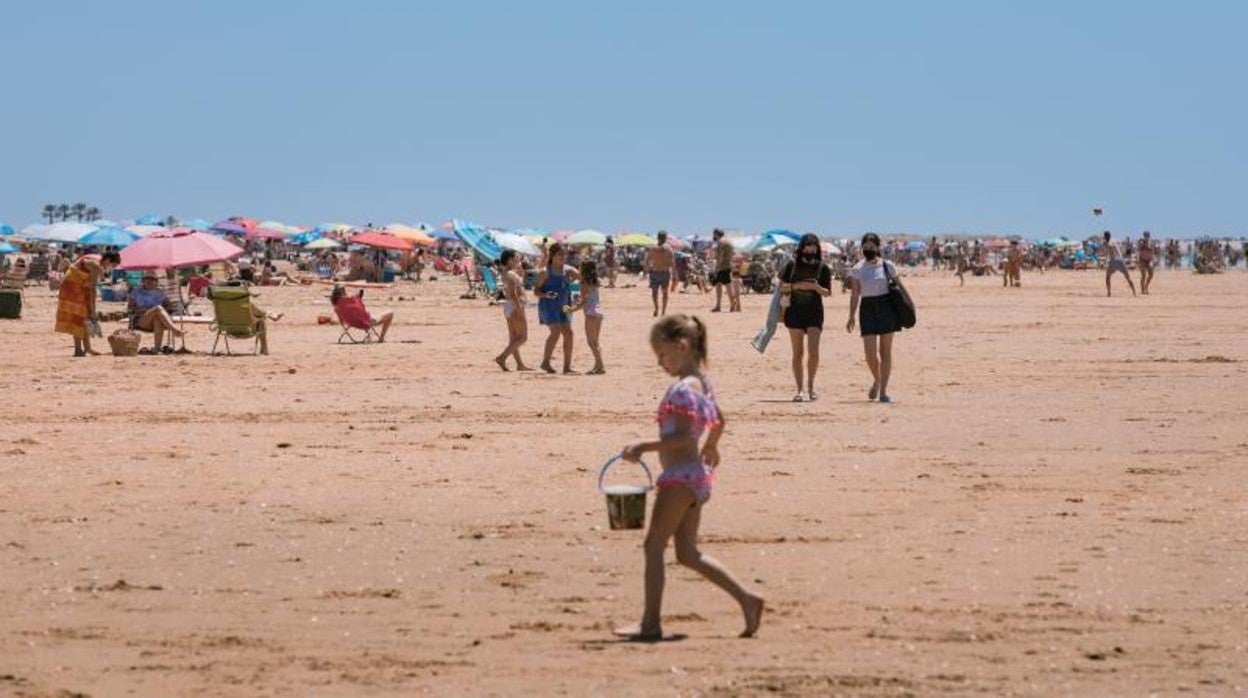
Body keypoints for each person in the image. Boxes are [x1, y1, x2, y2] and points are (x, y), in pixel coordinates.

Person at [615, 314, 764, 641]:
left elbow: (683, 438)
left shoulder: (684, 387)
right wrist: (712, 446)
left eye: (662, 353)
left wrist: (644, 446)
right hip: (695, 478)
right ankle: (747, 599)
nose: (659, 361)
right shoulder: (702, 382)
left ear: (681, 347)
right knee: (687, 553)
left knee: (654, 545)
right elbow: (719, 420)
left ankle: (650, 624)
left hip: (679, 478)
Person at [846, 233, 905, 403]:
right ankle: (877, 380)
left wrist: (908, 306)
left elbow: (900, 286)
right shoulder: (857, 268)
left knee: (885, 352)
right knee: (870, 353)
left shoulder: (888, 266)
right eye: (866, 247)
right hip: (868, 309)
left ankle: (883, 391)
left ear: (878, 248)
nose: (869, 250)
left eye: (872, 247)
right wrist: (851, 316)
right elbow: (855, 294)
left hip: (887, 308)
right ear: (862, 248)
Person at [779, 234, 833, 401]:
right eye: (808, 246)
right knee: (797, 352)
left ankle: (811, 387)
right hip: (794, 312)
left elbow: (828, 292)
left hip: (814, 312)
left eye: (814, 246)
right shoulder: (791, 265)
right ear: (801, 247)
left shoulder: (823, 268)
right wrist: (799, 286)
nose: (811, 249)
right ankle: (799, 390)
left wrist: (815, 287)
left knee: (814, 352)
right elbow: (782, 287)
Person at [55, 251, 119, 357]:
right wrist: (93, 311)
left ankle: (87, 348)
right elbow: (92, 290)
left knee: (84, 317)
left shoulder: (96, 259)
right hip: (73, 286)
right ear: (108, 261)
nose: (110, 268)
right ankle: (78, 349)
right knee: (79, 316)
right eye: (112, 265)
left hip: (76, 284)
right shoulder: (97, 265)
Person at [535, 243, 581, 374]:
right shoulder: (545, 272)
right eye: (560, 254)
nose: (563, 256)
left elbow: (584, 279)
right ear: (552, 256)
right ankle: (545, 362)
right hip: (548, 306)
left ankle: (567, 367)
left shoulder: (569, 270)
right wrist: (546, 295)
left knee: (569, 334)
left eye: (564, 254)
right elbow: (536, 291)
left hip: (564, 306)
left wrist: (580, 294)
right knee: (555, 332)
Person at [563, 260, 606, 374]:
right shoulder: (596, 281)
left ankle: (601, 366)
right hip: (599, 312)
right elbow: (589, 298)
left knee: (591, 342)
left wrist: (571, 309)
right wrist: (579, 301)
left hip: (590, 314)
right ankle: (597, 365)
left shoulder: (583, 283)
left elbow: (584, 302)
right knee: (595, 342)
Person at [493, 250, 532, 371]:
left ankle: (520, 364)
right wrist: (519, 309)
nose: (518, 260)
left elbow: (516, 286)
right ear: (509, 259)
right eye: (516, 258)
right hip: (515, 305)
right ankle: (502, 357)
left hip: (509, 305)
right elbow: (514, 293)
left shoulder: (506, 273)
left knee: (514, 337)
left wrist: (521, 272)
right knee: (522, 337)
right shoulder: (510, 274)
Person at [128, 271, 185, 350]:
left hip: (156, 321)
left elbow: (169, 307)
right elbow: (131, 308)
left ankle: (157, 348)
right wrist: (142, 310)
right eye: (146, 278)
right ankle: (174, 330)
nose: (150, 281)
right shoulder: (136, 292)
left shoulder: (160, 293)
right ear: (142, 281)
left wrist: (160, 310)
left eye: (153, 279)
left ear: (156, 281)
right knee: (158, 308)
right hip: (141, 320)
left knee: (157, 318)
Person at [329, 284, 394, 342]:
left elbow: (341, 320)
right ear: (343, 292)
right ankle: (381, 338)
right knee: (390, 313)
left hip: (350, 323)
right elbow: (361, 309)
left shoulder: (336, 305)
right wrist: (358, 297)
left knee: (363, 314)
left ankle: (370, 335)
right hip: (365, 322)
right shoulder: (351, 300)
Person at [644, 232, 675, 317]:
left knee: (654, 293)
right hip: (665, 272)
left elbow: (647, 261)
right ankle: (663, 311)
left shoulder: (653, 249)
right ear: (665, 238)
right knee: (664, 293)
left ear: (657, 238)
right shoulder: (669, 249)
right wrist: (675, 274)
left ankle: (657, 308)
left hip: (655, 272)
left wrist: (645, 272)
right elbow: (672, 263)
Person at [1100, 231, 1137, 297]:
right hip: (1119, 260)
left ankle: (1109, 293)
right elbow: (1115, 249)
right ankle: (1134, 292)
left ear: (1106, 236)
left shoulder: (1109, 242)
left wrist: (1105, 242)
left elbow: (1109, 246)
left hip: (1114, 261)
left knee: (1108, 277)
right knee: (1127, 277)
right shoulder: (1113, 241)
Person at [710, 229, 738, 312]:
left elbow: (720, 257)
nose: (713, 236)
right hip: (728, 265)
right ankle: (718, 305)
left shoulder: (720, 242)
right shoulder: (729, 242)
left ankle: (732, 303)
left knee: (727, 285)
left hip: (722, 267)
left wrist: (716, 268)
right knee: (720, 285)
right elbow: (732, 254)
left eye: (714, 234)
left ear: (716, 234)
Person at [1137, 231, 1157, 295]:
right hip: (1142, 260)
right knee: (1143, 275)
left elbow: (1152, 251)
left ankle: (1146, 286)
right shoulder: (1141, 241)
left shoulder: (1151, 242)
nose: (1146, 237)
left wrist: (1153, 259)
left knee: (1151, 274)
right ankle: (1143, 289)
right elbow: (1138, 249)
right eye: (1145, 235)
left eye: (1147, 235)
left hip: (1148, 260)